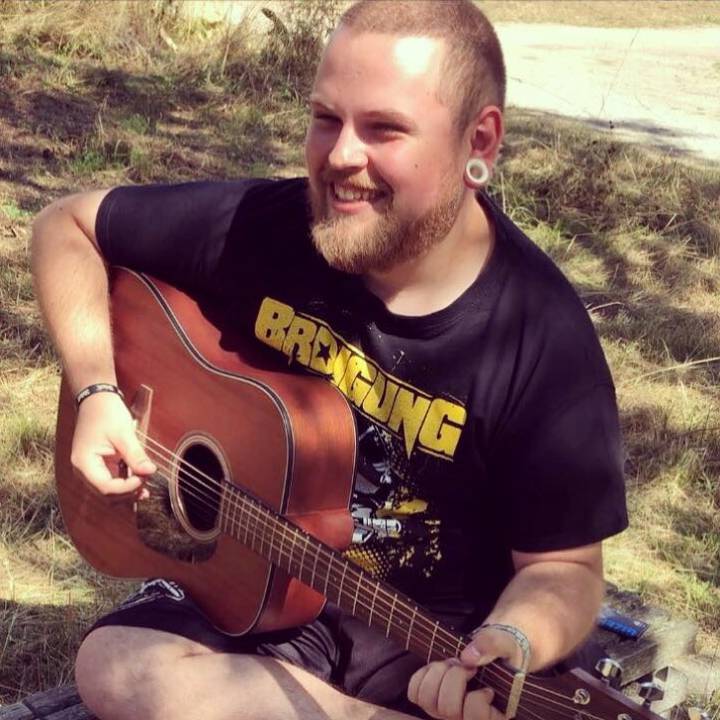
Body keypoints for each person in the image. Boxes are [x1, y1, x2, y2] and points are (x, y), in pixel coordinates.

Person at [31, 1, 628, 719]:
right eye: (326, 118)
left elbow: (565, 569)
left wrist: (513, 637)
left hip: (432, 648)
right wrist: (97, 391)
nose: (341, 156)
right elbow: (65, 226)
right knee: (116, 664)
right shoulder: (265, 228)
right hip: (260, 602)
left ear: (480, 141)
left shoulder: (542, 339)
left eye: (384, 128)